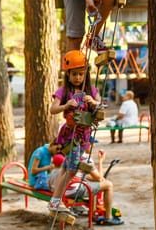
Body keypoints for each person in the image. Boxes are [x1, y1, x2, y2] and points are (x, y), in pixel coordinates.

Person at [48, 50, 103, 212]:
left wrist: (93, 101)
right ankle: (55, 201)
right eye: (74, 74)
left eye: (81, 74)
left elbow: (100, 107)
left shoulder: (92, 90)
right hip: (70, 136)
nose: (78, 78)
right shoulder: (63, 91)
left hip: (83, 137)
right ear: (68, 74)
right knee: (72, 170)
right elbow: (53, 109)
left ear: (85, 74)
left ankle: (55, 200)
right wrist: (65, 106)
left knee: (66, 168)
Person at [48, 149, 123, 226]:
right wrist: (100, 161)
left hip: (61, 191)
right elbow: (100, 178)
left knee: (93, 185)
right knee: (109, 185)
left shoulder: (68, 155)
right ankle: (108, 217)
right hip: (73, 191)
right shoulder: (85, 158)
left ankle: (93, 213)